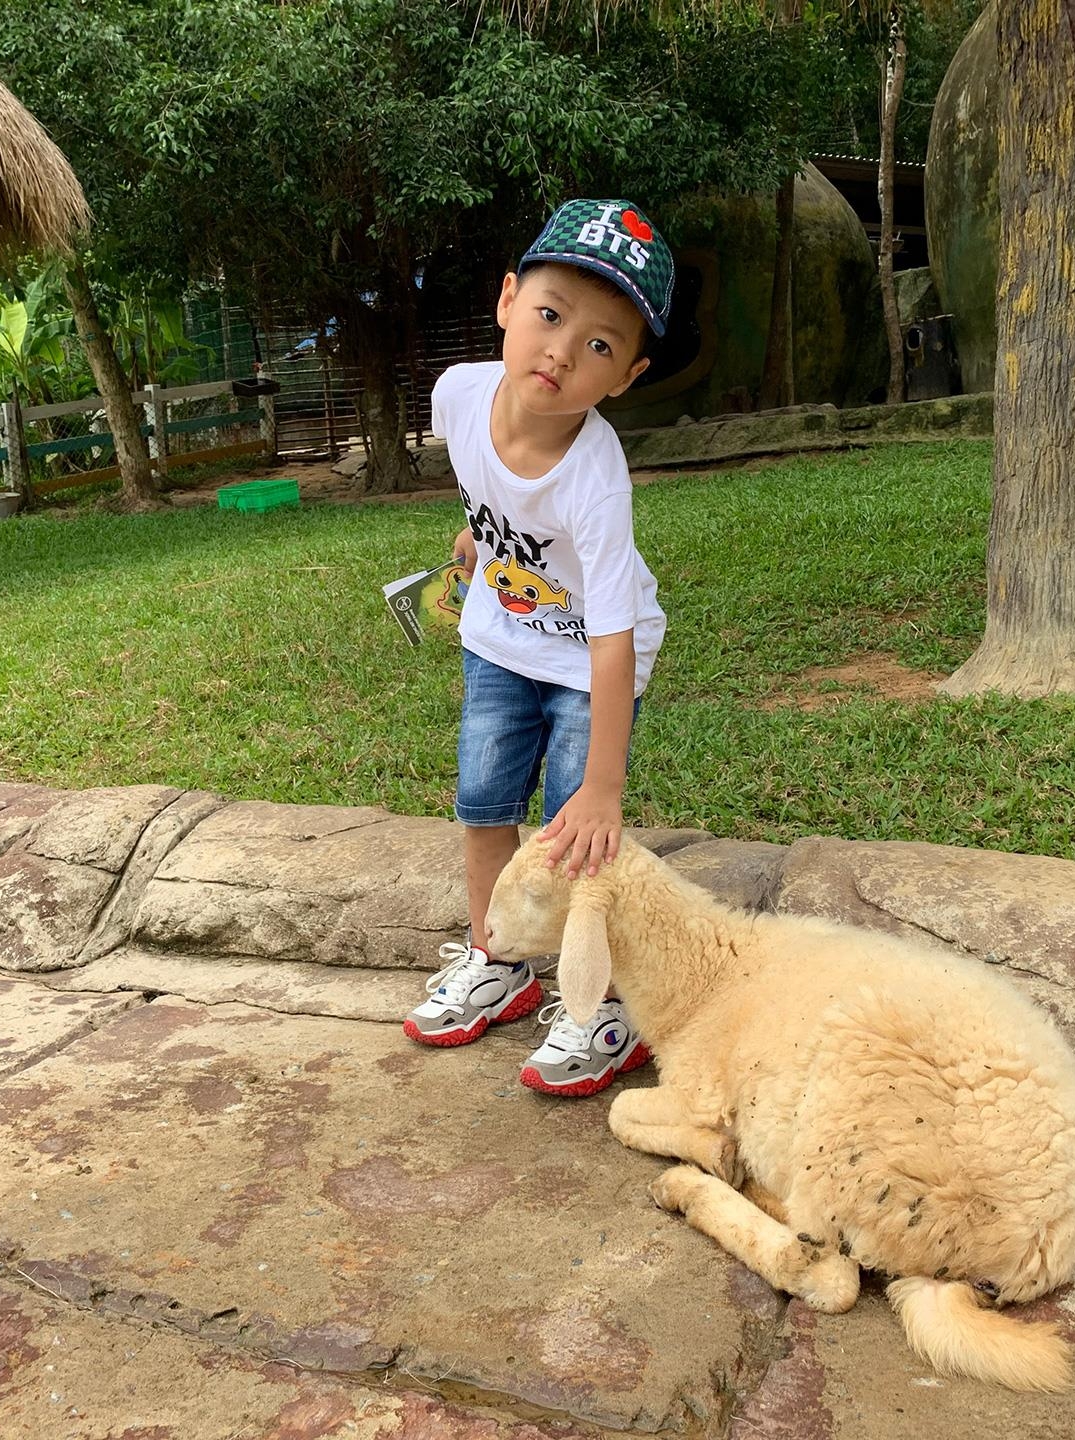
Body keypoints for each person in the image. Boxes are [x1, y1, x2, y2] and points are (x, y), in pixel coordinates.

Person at [402, 199, 672, 1098]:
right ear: (509, 301)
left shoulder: (596, 476)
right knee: (482, 801)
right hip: (499, 638)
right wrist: (479, 533)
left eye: (599, 344)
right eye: (551, 316)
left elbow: (613, 632)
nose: (561, 350)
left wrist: (603, 787)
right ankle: (498, 961)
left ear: (626, 376)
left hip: (593, 661)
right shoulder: (457, 394)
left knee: (578, 840)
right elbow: (484, 478)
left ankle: (602, 1007)